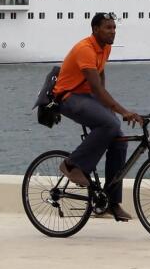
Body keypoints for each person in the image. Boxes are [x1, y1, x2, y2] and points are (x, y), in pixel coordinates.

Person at [54, 12, 143, 221]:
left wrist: (107, 107)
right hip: (68, 98)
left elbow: (100, 73)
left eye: (114, 28)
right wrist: (122, 111)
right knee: (110, 124)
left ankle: (111, 202)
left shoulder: (105, 47)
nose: (113, 31)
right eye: (108, 28)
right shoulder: (85, 49)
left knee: (119, 140)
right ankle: (71, 165)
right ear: (95, 29)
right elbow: (95, 86)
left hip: (86, 97)